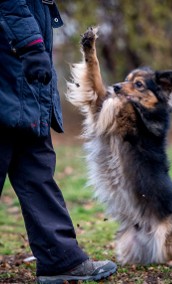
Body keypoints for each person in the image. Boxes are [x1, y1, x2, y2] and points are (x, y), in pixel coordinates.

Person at [0, 0, 117, 283]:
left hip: (24, 86)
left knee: (37, 170)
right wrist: (31, 44)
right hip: (10, 73)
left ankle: (60, 258)